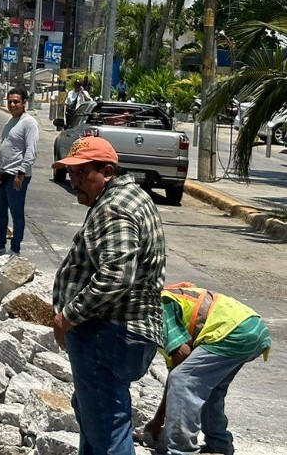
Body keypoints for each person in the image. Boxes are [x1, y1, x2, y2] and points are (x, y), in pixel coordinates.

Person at [51, 136, 167, 455]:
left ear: (107, 172)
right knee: (96, 417)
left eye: (81, 173)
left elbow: (117, 274)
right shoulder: (132, 197)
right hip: (128, 332)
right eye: (70, 173)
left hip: (108, 331)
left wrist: (68, 317)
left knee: (107, 426)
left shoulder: (113, 207)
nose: (73, 180)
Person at [141, 284, 271, 455]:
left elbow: (181, 368)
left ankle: (182, 450)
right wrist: (158, 420)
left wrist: (158, 420)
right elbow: (178, 375)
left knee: (184, 380)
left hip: (233, 331)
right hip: (252, 329)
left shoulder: (156, 309)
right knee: (211, 390)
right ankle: (219, 446)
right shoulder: (165, 299)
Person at [0, 87, 39, 258]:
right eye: (10, 101)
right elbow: (4, 146)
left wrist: (21, 173)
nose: (12, 104)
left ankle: (15, 249)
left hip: (17, 176)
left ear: (24, 103)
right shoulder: (10, 122)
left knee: (16, 212)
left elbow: (31, 150)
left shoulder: (29, 123)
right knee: (0, 210)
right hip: (3, 173)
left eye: (16, 101)